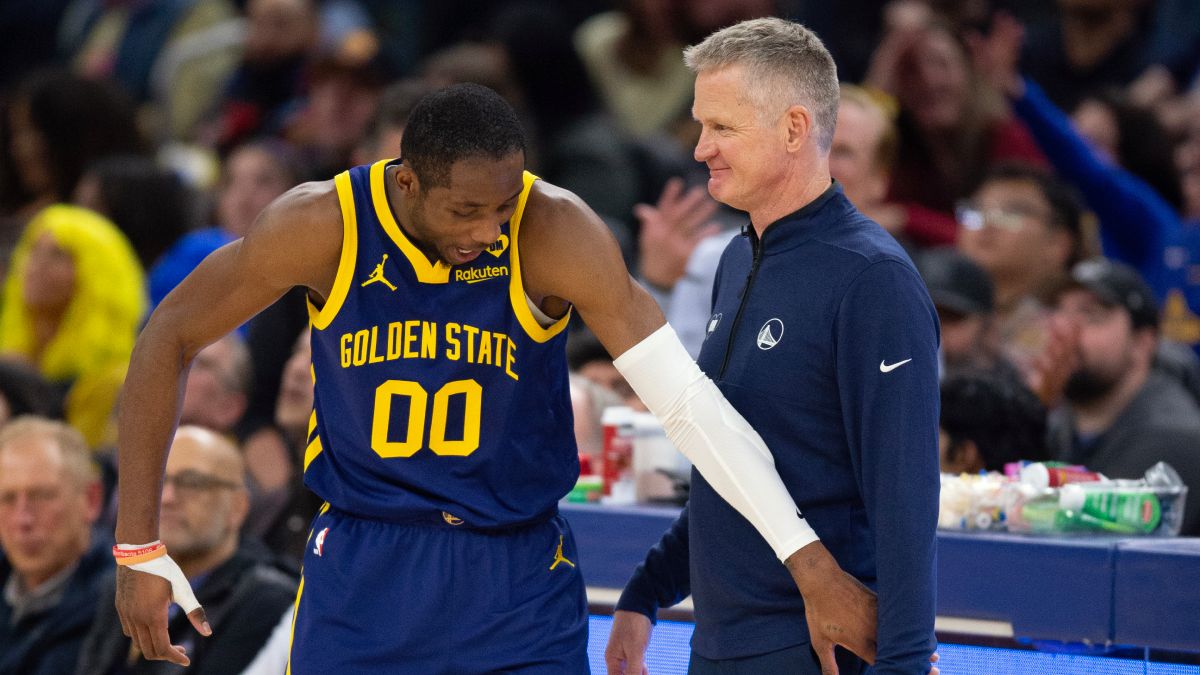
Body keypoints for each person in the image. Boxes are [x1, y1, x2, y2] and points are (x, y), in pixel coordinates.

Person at [114, 82, 878, 673]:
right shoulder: (322, 225)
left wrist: (808, 562)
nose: (489, 230)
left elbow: (685, 402)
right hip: (364, 564)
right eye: (467, 210)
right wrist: (138, 546)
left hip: (514, 569)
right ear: (407, 183)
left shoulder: (555, 230)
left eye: (504, 205)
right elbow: (166, 338)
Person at [607, 18, 940, 675]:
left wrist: (903, 663)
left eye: (722, 128)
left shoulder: (872, 277)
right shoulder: (735, 260)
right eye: (701, 126)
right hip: (719, 645)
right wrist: (647, 593)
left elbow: (906, 499)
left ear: (794, 128)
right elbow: (732, 462)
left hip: (816, 649)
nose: (701, 149)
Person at [78, 426, 297, 675]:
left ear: (238, 507)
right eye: (159, 482)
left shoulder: (266, 599)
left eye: (192, 483)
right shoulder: (123, 584)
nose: (168, 498)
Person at [1046, 258, 1200, 535]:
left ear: (1142, 343)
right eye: (1058, 312)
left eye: (1091, 316)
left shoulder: (1173, 435)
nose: (1064, 330)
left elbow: (1089, 543)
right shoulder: (1057, 420)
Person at [0, 417, 108, 675]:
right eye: (7, 498)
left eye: (42, 496)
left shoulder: (125, 607)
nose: (22, 519)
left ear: (91, 500)